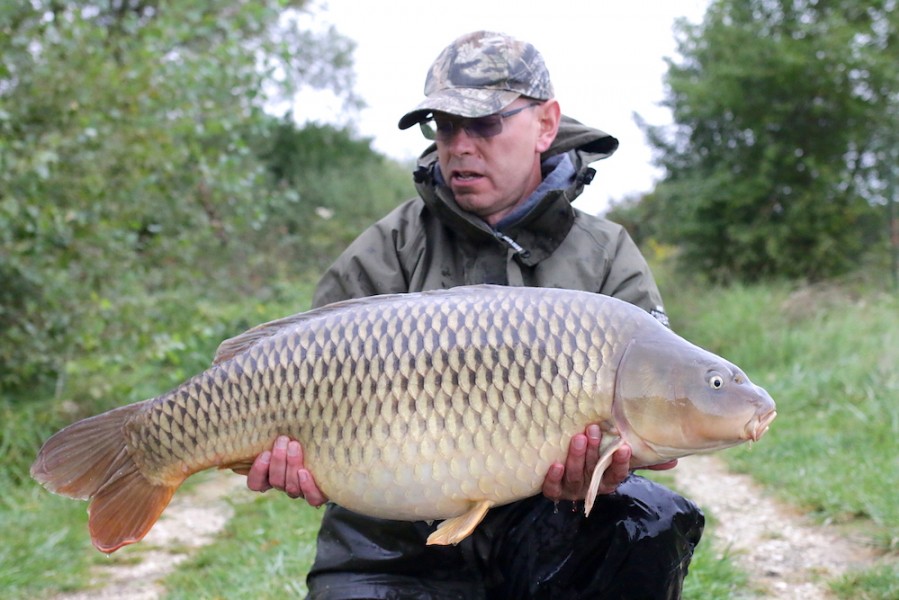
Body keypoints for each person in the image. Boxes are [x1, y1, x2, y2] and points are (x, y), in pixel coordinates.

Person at [246, 30, 704, 599]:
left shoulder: (607, 255)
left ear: (545, 124)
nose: (460, 145)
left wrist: (610, 469)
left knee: (648, 517)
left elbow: (656, 415)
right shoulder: (389, 247)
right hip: (389, 541)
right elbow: (297, 379)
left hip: (552, 531)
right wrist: (293, 457)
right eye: (444, 125)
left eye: (484, 124)